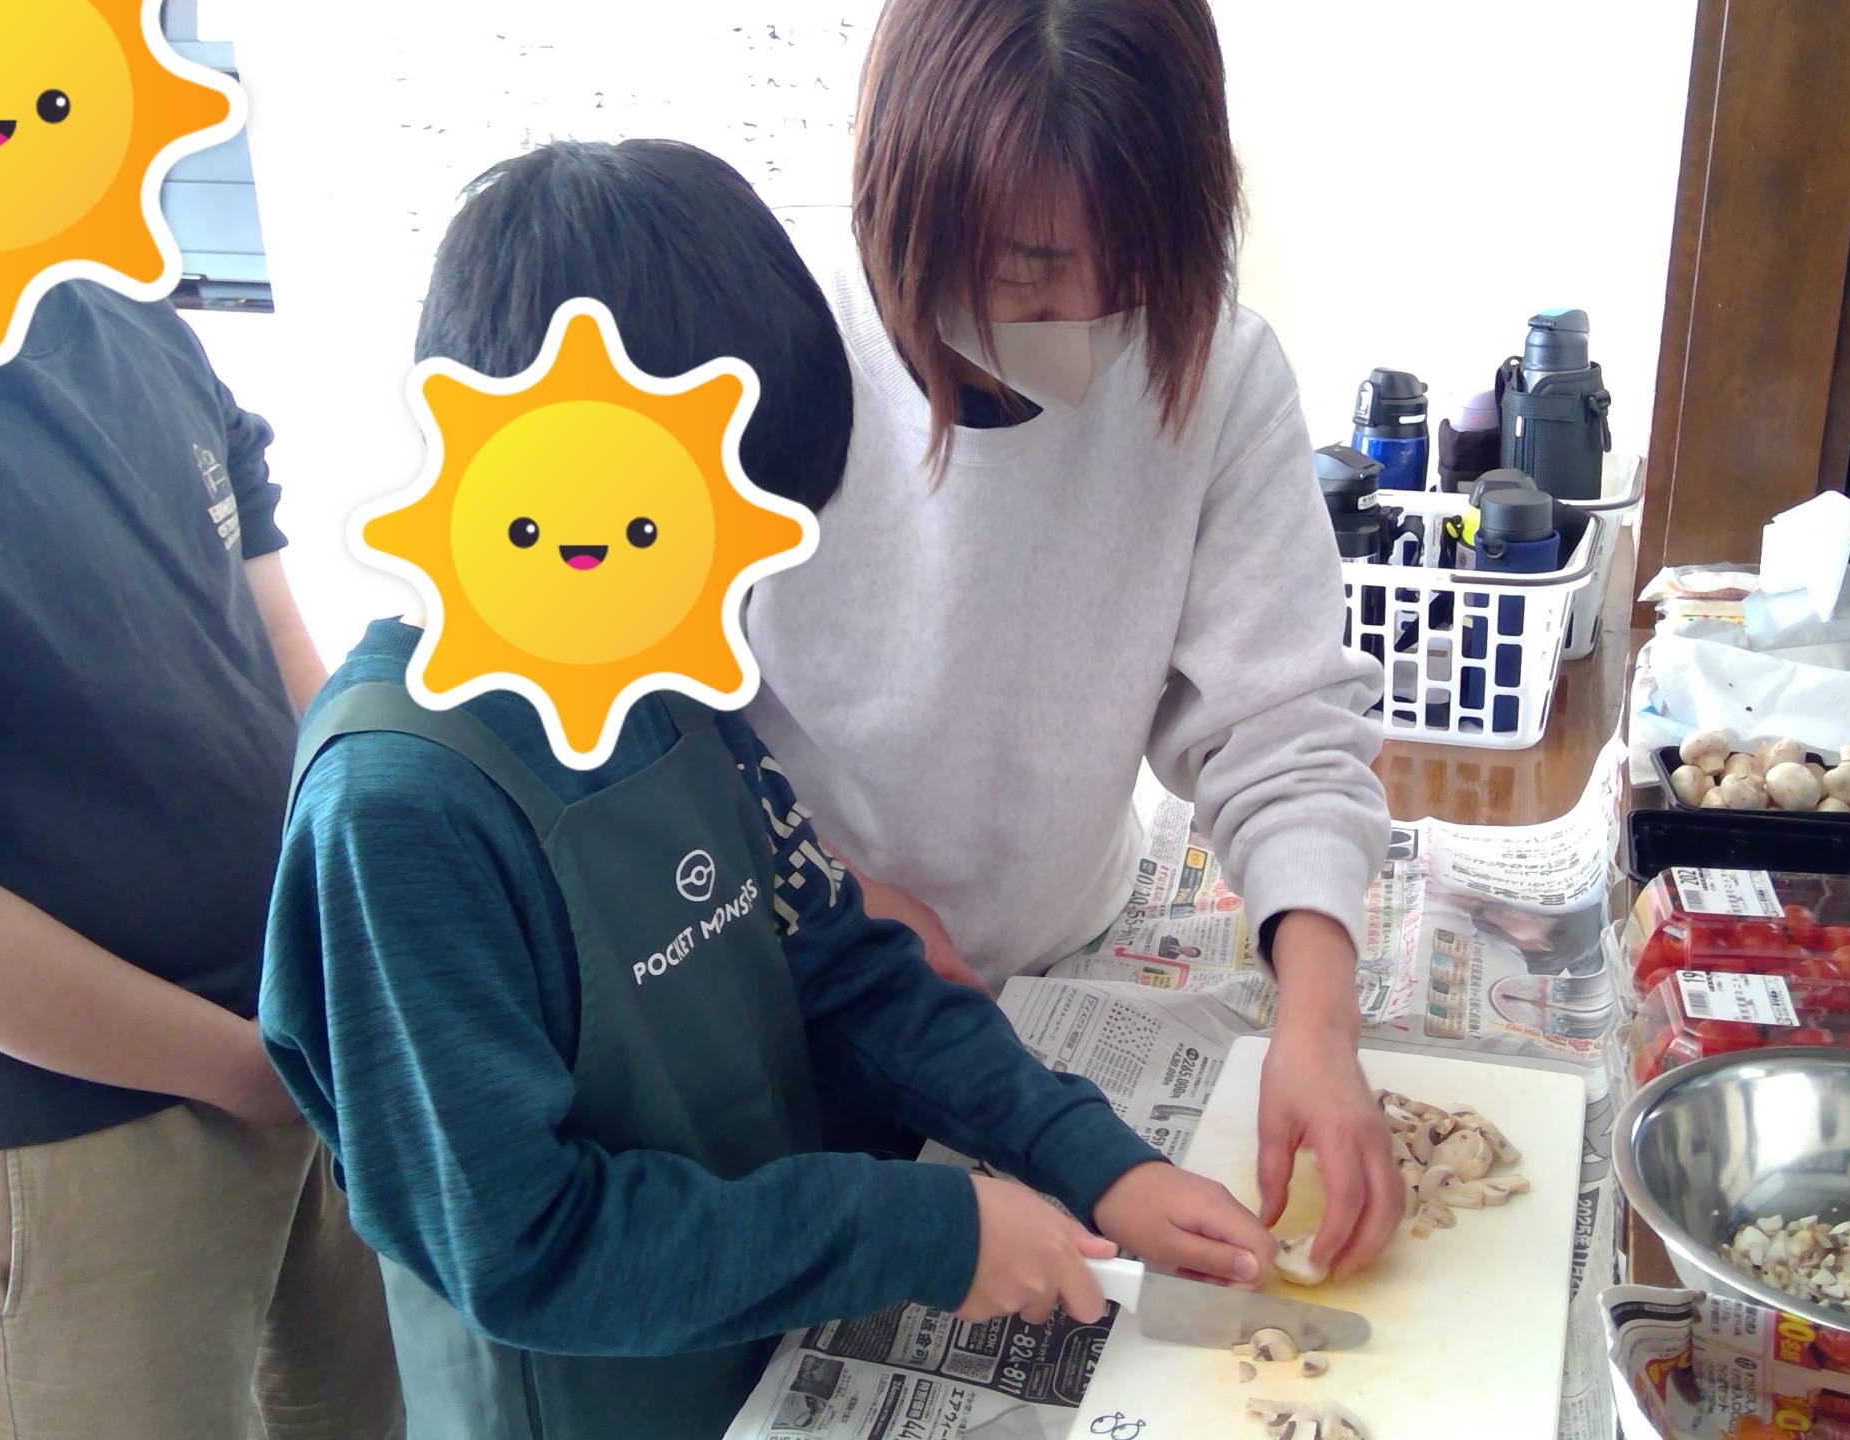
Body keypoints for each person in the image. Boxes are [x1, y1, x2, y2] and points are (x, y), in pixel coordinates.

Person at [259, 138, 1279, 1440]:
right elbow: (524, 1244)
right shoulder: (397, 811)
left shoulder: (654, 682)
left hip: (758, 1355)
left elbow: (843, 968)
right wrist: (924, 1227)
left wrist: (1094, 1159)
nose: (730, 597)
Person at [745, 0, 1403, 1277]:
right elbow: (653, 713)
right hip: (797, 962)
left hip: (1054, 960)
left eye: (1133, 261)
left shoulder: (1219, 371)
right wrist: (835, 894)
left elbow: (1279, 724)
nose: (1085, 310)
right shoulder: (773, 343)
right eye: (1026, 265)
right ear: (908, 197)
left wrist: (1319, 1021)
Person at [0, 278, 402, 1438]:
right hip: (51, 1125)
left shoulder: (135, 319)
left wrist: (360, 952)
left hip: (304, 1038)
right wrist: (252, 1073)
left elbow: (279, 643)